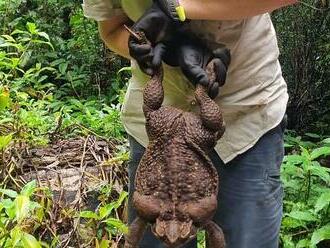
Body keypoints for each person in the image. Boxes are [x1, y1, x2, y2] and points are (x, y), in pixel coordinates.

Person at [82, 1, 297, 247]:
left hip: (245, 116)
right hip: (156, 130)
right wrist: (150, 49)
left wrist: (177, 8)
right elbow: (111, 30)